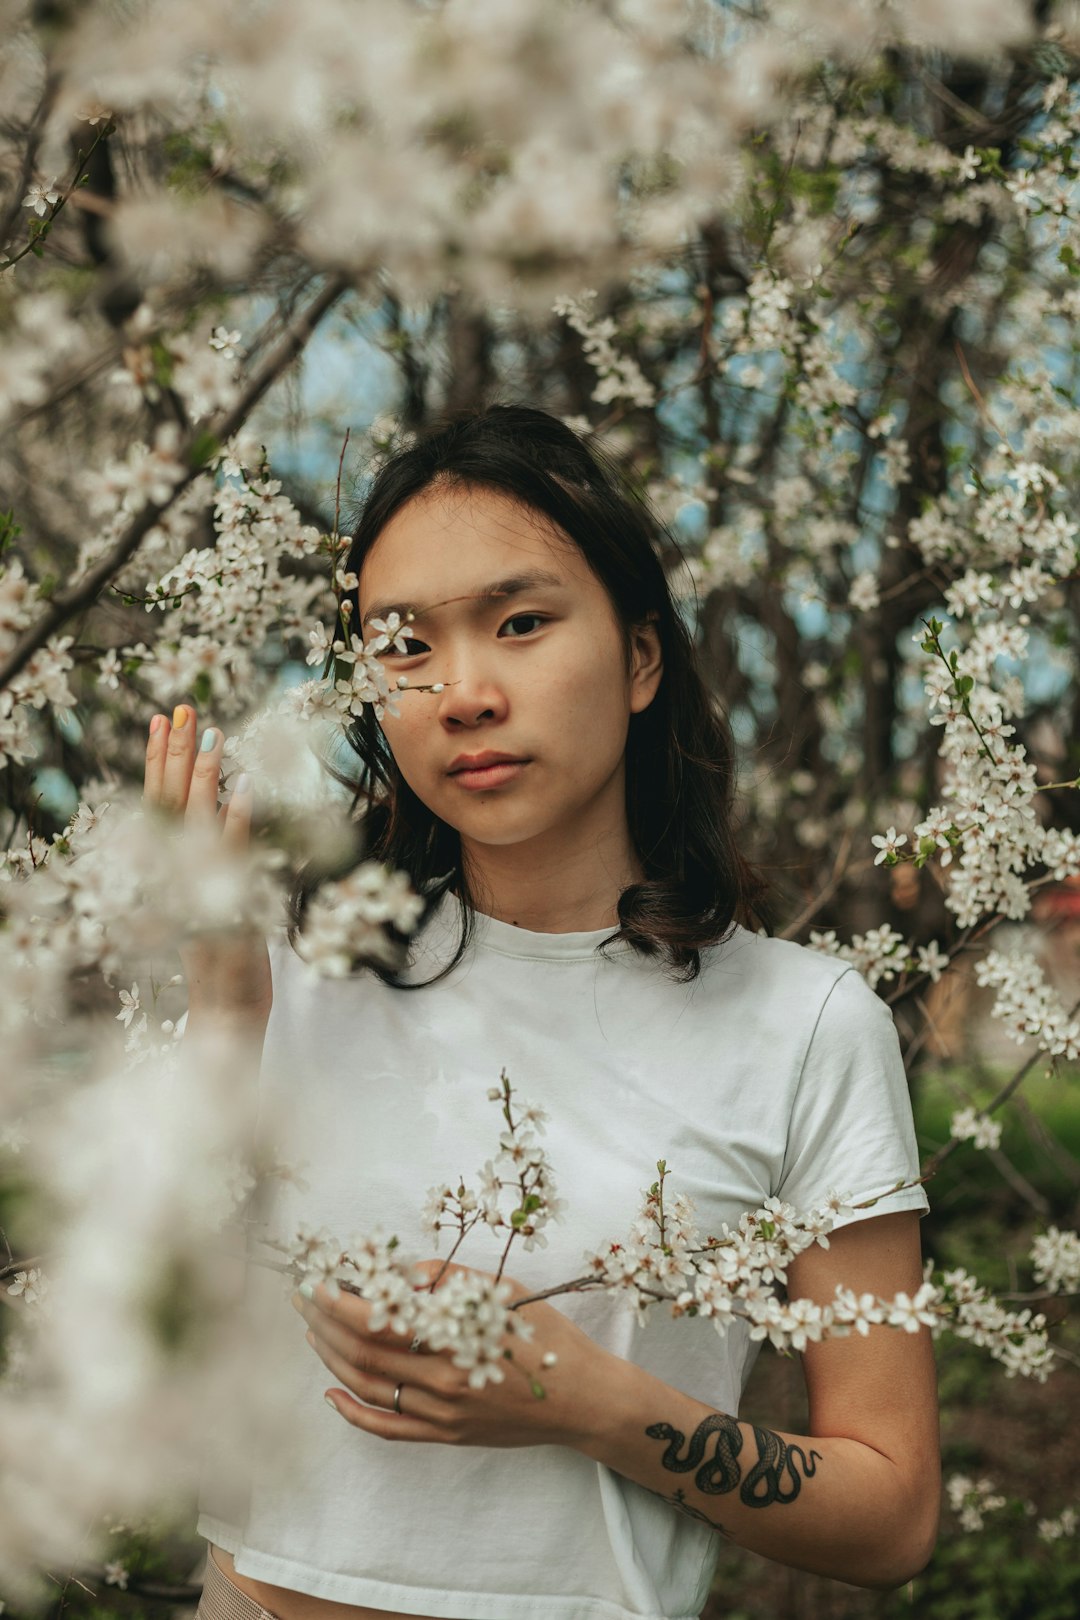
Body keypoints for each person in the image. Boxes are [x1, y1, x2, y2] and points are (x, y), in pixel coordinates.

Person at [144, 405, 939, 1620]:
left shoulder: (806, 1024)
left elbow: (892, 1518)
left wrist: (593, 1406)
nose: (462, 694)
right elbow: (163, 1360)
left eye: (521, 624)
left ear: (639, 658)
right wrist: (222, 1009)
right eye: (402, 647)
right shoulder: (295, 967)